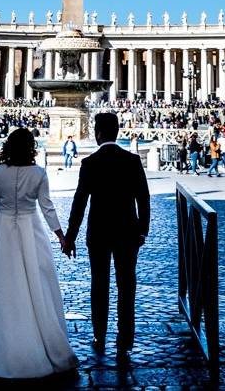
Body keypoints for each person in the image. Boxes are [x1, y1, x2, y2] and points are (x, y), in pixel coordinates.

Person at [0, 128, 79, 378]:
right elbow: (47, 207)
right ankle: (38, 340)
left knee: (1, 284)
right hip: (31, 229)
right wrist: (61, 236)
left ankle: (0, 342)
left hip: (1, 230)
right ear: (31, 147)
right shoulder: (38, 173)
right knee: (35, 285)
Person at [63, 112, 150, 365]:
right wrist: (143, 230)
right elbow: (143, 198)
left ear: (98, 133)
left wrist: (71, 236)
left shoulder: (90, 163)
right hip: (128, 233)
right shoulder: (132, 160)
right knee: (127, 286)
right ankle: (125, 340)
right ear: (117, 131)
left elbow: (80, 202)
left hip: (98, 233)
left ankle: (99, 336)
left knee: (99, 285)